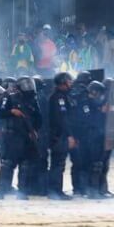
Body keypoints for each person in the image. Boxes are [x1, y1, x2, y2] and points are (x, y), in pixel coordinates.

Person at [0, 76, 42, 200]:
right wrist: (11, 111)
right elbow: (0, 114)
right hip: (12, 136)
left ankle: (22, 193)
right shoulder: (9, 96)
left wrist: (35, 130)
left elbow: (38, 117)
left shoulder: (33, 99)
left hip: (26, 136)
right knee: (7, 164)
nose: (28, 87)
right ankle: (2, 191)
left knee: (25, 165)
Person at [47, 72, 75, 200]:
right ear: (63, 82)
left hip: (59, 135)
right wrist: (69, 135)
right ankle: (55, 192)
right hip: (58, 136)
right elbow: (62, 119)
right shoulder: (58, 98)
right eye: (69, 81)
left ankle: (56, 190)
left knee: (59, 164)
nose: (71, 83)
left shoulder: (63, 96)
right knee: (58, 164)